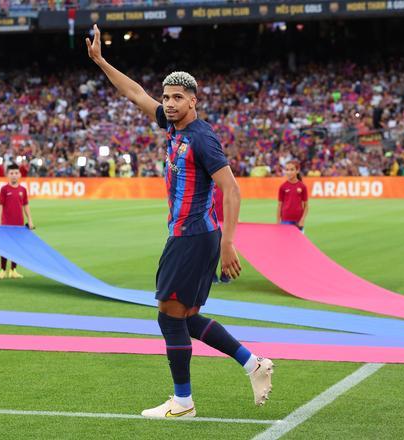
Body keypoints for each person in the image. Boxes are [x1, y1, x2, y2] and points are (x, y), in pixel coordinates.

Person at [86, 24, 273, 419]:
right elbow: (136, 92)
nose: (169, 103)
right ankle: (252, 363)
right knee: (185, 318)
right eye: (167, 96)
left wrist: (228, 244)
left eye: (177, 98)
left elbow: (233, 189)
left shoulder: (202, 138)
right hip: (190, 236)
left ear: (193, 101)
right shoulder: (172, 125)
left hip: (194, 237)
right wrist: (102, 62)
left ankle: (184, 402)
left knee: (167, 316)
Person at [0, 163, 34, 279]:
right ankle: (3, 270)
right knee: (5, 247)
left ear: (20, 175)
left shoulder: (23, 190)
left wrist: (30, 220)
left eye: (16, 173)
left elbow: (26, 205)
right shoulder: (4, 189)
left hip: (19, 224)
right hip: (6, 223)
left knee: (16, 247)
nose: (14, 175)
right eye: (11, 173)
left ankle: (13, 270)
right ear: (7, 175)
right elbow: (0, 205)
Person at [277, 161, 308, 231]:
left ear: (297, 170)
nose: (289, 172)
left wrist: (302, 220)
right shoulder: (283, 187)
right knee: (285, 241)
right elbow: (279, 206)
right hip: (285, 220)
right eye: (287, 170)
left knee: (299, 242)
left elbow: (306, 206)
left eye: (292, 169)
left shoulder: (302, 186)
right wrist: (278, 221)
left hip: (298, 220)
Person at [212, 185, 230, 284]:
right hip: (212, 223)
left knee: (225, 249)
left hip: (225, 222)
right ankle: (212, 274)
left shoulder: (227, 185)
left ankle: (225, 274)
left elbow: (232, 202)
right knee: (213, 250)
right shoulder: (208, 185)